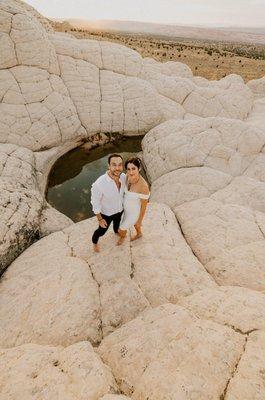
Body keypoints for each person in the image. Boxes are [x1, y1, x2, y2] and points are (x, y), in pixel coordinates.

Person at [91, 154, 125, 252]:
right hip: (106, 214)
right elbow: (95, 202)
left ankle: (116, 231)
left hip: (119, 210)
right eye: (114, 165)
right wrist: (100, 219)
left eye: (120, 165)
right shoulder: (99, 184)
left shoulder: (123, 177)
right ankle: (95, 242)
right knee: (101, 232)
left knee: (117, 225)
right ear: (108, 166)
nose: (117, 168)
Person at [117, 157, 150, 245]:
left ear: (139, 168)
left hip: (134, 212)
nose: (131, 172)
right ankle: (139, 233)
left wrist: (139, 220)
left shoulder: (143, 187)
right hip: (125, 209)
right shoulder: (127, 176)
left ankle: (123, 236)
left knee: (121, 229)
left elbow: (144, 207)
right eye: (128, 169)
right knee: (133, 225)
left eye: (133, 169)